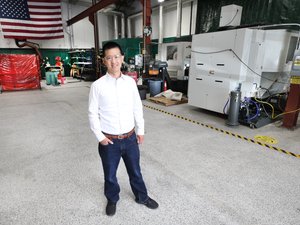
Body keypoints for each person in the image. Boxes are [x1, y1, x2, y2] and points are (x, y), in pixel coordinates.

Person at [88, 41, 159, 216]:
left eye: (116, 57)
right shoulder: (97, 86)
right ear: (104, 61)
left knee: (135, 171)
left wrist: (140, 130)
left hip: (130, 138)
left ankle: (142, 196)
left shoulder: (130, 83)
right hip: (109, 140)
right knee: (110, 174)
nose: (114, 61)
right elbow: (92, 114)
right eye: (109, 58)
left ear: (122, 58)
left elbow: (137, 107)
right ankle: (112, 199)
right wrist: (100, 137)